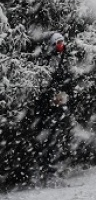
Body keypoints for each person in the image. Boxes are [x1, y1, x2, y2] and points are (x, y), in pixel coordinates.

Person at [31, 32, 75, 183]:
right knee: (46, 139)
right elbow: (45, 82)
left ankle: (53, 169)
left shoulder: (64, 57)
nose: (61, 45)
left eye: (62, 42)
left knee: (58, 137)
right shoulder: (46, 59)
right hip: (47, 107)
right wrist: (51, 96)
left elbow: (67, 79)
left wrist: (64, 94)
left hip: (59, 105)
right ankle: (45, 171)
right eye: (58, 43)